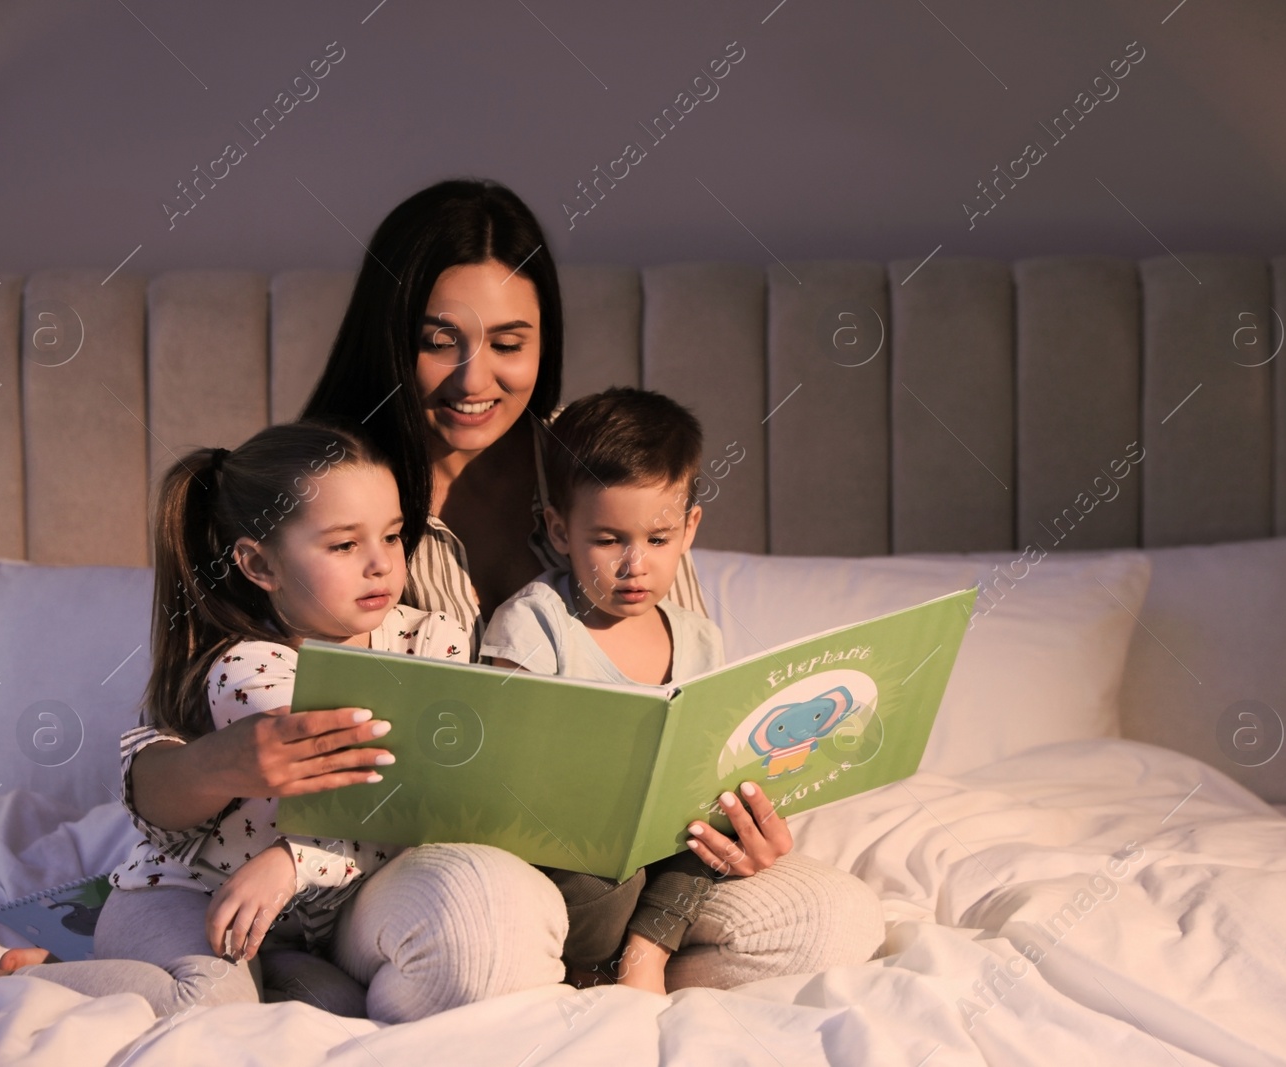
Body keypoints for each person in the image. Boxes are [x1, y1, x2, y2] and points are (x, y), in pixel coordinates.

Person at [120, 178, 881, 1008]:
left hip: (619, 863)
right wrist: (223, 761)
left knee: (826, 920)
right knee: (482, 927)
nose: (472, 378)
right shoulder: (330, 493)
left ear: (545, 341)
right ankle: (437, 968)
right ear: (390, 341)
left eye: (509, 342)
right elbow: (165, 757)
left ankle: (606, 980)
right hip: (395, 855)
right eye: (439, 341)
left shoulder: (605, 479)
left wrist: (736, 815)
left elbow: (686, 699)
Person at [8, 419, 566, 1023]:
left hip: (313, 917)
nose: (380, 564)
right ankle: (25, 977)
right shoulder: (250, 668)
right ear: (259, 565)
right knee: (205, 1007)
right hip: (198, 894)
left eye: (392, 535)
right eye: (344, 545)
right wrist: (294, 862)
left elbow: (430, 807)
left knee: (338, 1012)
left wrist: (296, 862)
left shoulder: (437, 642)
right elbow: (372, 794)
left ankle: (272, 976)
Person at [482, 387, 884, 994]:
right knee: (600, 886)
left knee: (715, 828)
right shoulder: (536, 623)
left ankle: (646, 952)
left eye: (658, 539)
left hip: (670, 852)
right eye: (608, 539)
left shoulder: (698, 638)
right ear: (560, 532)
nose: (634, 564)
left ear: (690, 527)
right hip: (576, 857)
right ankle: (596, 963)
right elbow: (506, 768)